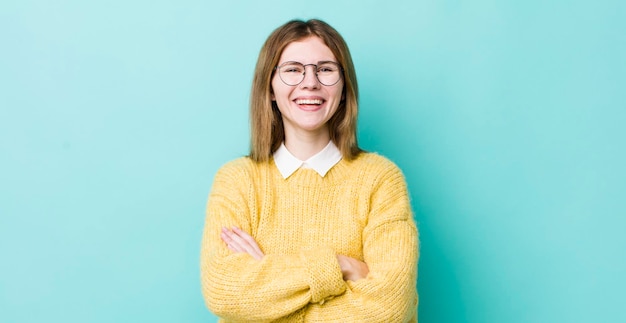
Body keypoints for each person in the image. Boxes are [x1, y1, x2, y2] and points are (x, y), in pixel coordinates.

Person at [200, 18, 419, 322]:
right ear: (270, 88)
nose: (310, 82)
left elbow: (390, 306)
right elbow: (223, 291)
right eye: (292, 70)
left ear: (344, 89)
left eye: (326, 69)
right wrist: (341, 266)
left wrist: (269, 284)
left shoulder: (380, 179)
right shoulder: (237, 180)